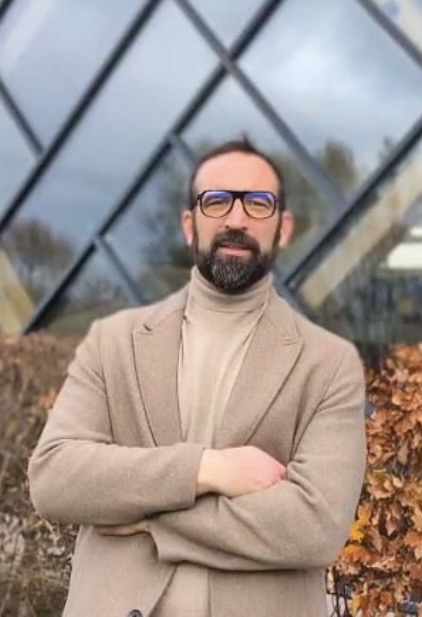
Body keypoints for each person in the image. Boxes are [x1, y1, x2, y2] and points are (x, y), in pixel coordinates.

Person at [28, 138, 366, 617]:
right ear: (190, 224)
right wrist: (206, 469)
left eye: (258, 202)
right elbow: (55, 479)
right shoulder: (112, 341)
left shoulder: (330, 363)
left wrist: (148, 521)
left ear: (283, 227)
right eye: (217, 200)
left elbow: (316, 527)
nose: (236, 219)